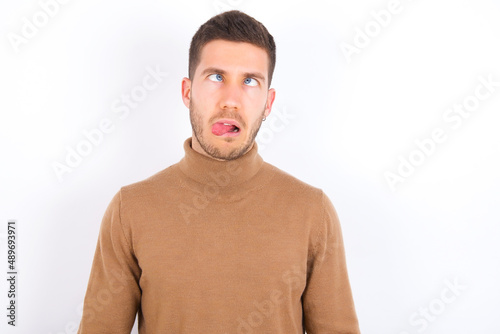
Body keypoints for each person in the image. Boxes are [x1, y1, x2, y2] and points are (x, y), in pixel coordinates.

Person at [77, 10, 360, 334]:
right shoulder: (130, 209)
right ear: (187, 91)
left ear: (268, 103)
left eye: (249, 81)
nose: (231, 100)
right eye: (216, 77)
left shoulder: (313, 212)